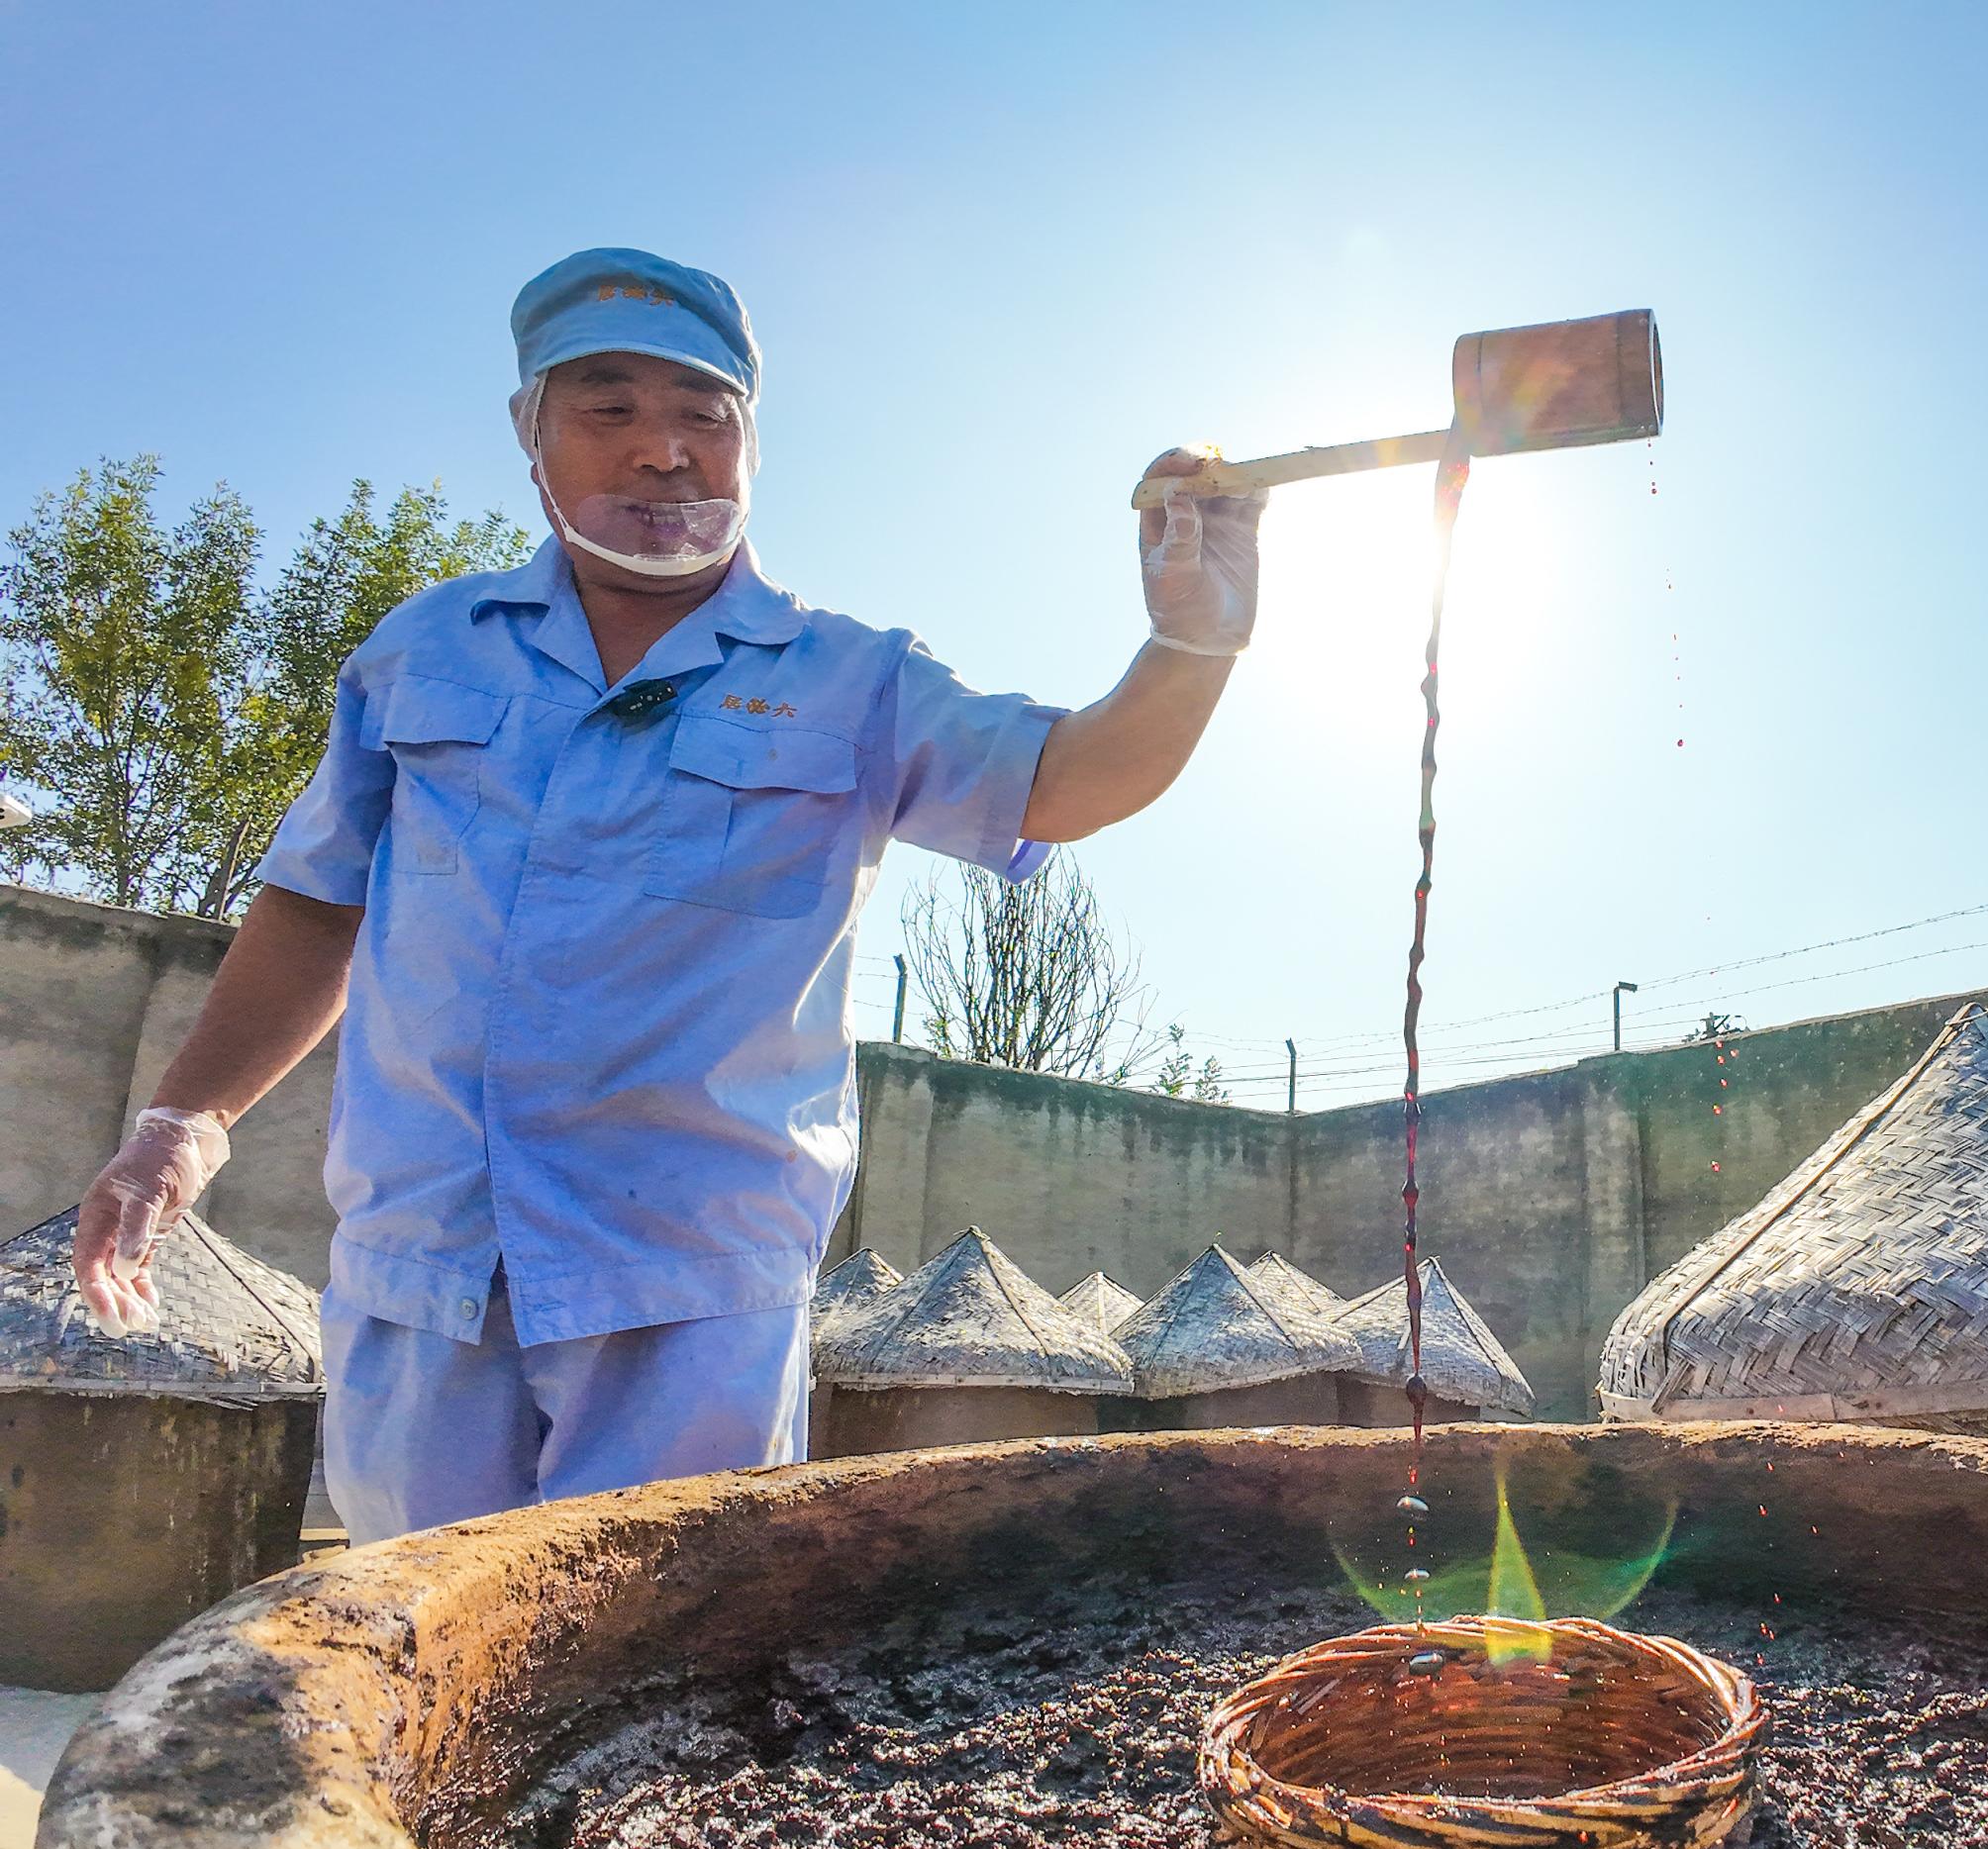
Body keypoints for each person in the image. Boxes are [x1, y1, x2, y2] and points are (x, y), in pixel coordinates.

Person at [68, 246, 1262, 1543]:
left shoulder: (847, 677)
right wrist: (184, 1122)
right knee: (416, 1624)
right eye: (609, 407)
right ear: (531, 432)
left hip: (694, 1287)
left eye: (706, 413)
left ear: (750, 444)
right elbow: (316, 905)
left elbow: (1065, 782)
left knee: (666, 1631)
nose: (663, 449)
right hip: (425, 1261)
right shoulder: (424, 650)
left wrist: (1191, 643)